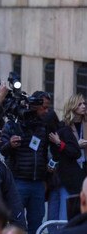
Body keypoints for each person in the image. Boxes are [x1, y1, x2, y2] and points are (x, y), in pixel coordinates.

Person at [0, 91, 51, 234]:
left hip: (38, 183)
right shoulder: (12, 125)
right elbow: (2, 150)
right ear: (34, 106)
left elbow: (44, 152)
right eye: (44, 108)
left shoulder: (43, 126)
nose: (47, 111)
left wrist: (45, 178)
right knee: (16, 222)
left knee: (37, 222)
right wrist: (10, 144)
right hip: (18, 182)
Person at [48, 94, 87, 222]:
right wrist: (75, 145)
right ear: (72, 106)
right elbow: (59, 151)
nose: (84, 106)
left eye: (84, 104)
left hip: (83, 171)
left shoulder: (85, 124)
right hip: (67, 173)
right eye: (80, 104)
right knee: (61, 215)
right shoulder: (63, 127)